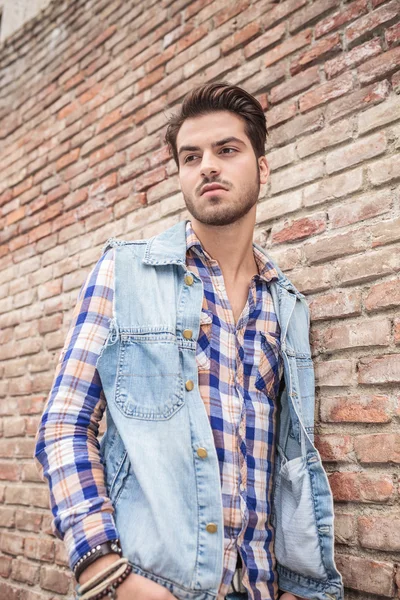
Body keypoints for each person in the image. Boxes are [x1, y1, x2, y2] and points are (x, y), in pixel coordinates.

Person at [34, 82, 344, 600]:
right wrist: (105, 571)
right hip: (153, 587)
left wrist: (301, 587)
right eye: (191, 156)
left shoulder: (286, 305)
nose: (208, 166)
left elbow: (289, 460)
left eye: (227, 150)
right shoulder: (124, 272)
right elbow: (63, 425)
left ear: (262, 169)